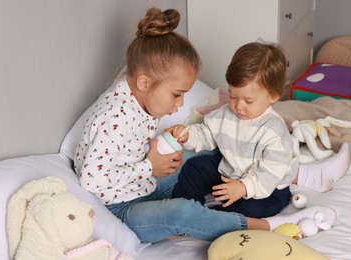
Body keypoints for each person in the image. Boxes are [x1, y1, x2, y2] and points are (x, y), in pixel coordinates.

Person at [74, 8, 337, 244]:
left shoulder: (137, 94)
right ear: (144, 83)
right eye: (176, 95)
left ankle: (298, 173)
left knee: (206, 155)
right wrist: (151, 165)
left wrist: (174, 146)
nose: (178, 105)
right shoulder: (113, 118)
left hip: (145, 184)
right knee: (184, 208)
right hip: (124, 205)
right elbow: (92, 179)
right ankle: (266, 225)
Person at [169, 42, 351, 218]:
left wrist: (243, 187)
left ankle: (213, 218)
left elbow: (269, 174)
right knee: (195, 167)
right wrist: (188, 135)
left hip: (266, 188)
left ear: (272, 96)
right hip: (230, 171)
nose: (238, 106)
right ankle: (181, 210)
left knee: (253, 209)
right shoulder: (226, 113)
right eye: (233, 96)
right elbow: (207, 133)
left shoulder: (274, 131)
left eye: (248, 101)